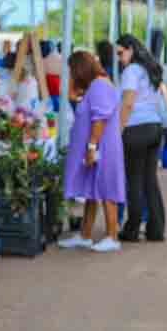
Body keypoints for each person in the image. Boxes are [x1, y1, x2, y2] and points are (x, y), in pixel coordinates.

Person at [58, 51, 125, 252]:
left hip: (101, 147)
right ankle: (85, 235)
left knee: (106, 190)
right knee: (91, 191)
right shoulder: (96, 86)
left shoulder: (99, 86)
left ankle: (112, 236)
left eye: (72, 70)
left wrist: (91, 146)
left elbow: (99, 119)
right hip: (97, 146)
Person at [116, 34, 166, 242]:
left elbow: (127, 102)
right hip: (154, 127)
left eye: (120, 53)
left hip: (135, 128)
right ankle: (156, 229)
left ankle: (132, 229)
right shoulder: (149, 69)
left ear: (131, 49)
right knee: (150, 180)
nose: (119, 58)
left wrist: (118, 130)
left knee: (134, 180)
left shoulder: (131, 71)